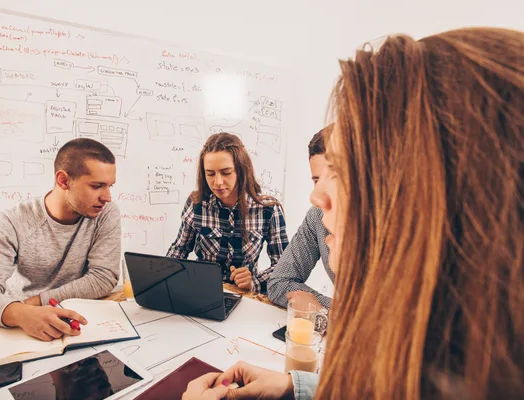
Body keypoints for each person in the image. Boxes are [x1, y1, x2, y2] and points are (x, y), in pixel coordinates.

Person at [183, 27, 524, 399]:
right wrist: (295, 385)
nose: (317, 195)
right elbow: (283, 281)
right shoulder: (420, 358)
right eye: (318, 176)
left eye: (346, 171)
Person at [0, 138, 122, 341]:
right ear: (63, 181)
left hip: (79, 323)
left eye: (109, 186)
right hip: (22, 327)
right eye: (97, 186)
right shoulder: (10, 221)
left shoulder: (105, 213)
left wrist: (35, 303)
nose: (107, 197)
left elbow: (103, 277)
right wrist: (23, 313)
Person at [167, 132, 289, 294]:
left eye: (226, 172)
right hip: (202, 291)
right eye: (210, 174)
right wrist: (165, 274)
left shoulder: (268, 209)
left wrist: (254, 281)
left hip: (245, 296)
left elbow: (284, 267)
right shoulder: (197, 204)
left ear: (241, 170)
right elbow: (179, 250)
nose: (217, 182)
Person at [267, 126, 335, 310]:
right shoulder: (317, 216)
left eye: (333, 179)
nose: (315, 195)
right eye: (316, 180)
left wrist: (323, 313)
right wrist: (325, 307)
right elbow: (279, 282)